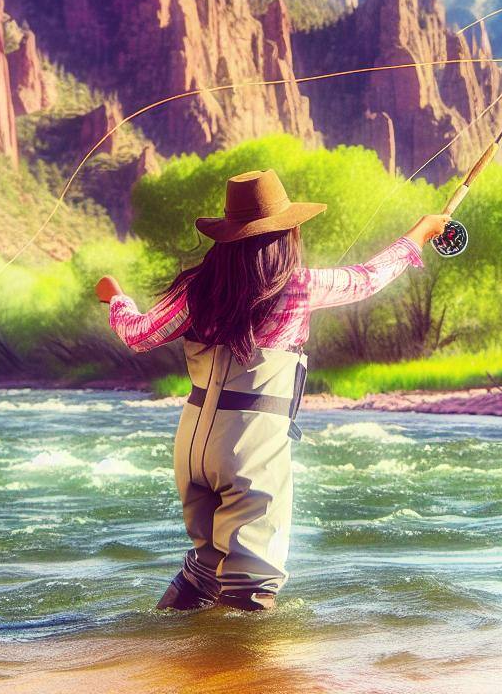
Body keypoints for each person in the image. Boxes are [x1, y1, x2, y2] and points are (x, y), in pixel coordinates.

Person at [95, 168, 449, 613]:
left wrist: (116, 297)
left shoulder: (196, 288)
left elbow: (138, 334)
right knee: (250, 593)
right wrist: (421, 231)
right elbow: (368, 278)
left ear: (226, 236)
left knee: (205, 571)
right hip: (251, 448)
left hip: (191, 449)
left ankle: (158, 661)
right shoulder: (298, 286)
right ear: (288, 233)